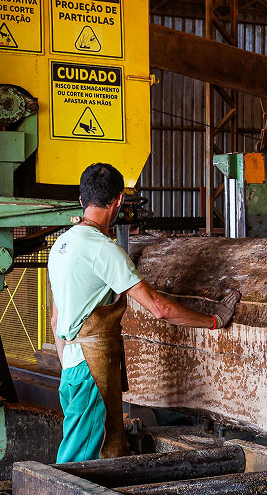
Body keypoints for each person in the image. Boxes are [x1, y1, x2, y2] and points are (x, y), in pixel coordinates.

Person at [47, 162, 239, 463]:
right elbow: (159, 309)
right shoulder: (102, 249)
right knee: (76, 467)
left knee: (100, 453)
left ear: (83, 200)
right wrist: (213, 320)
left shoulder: (61, 245)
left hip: (71, 369)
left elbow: (56, 320)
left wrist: (70, 368)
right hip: (90, 370)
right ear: (119, 200)